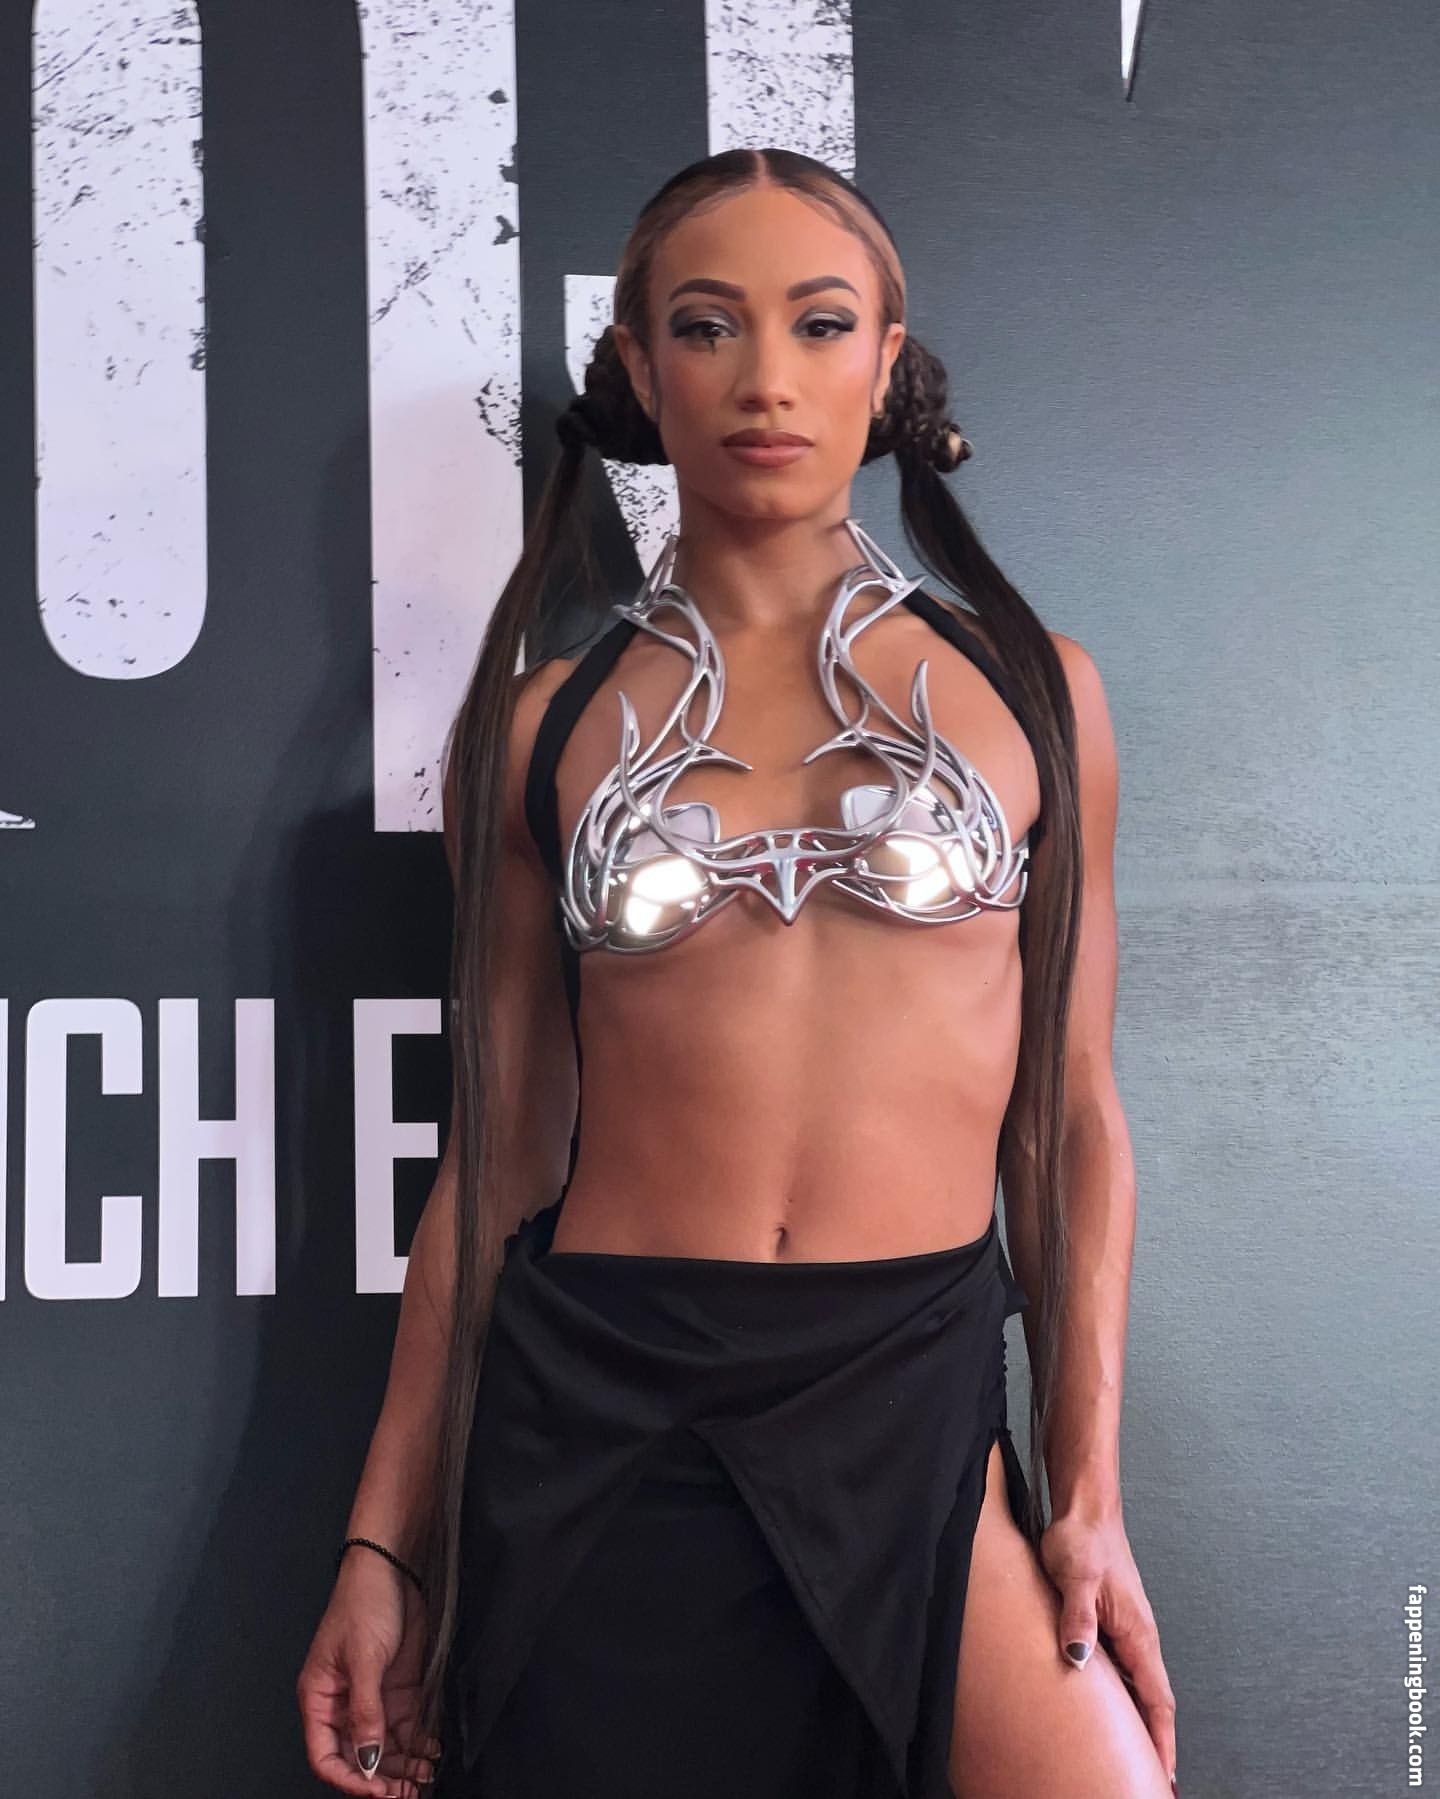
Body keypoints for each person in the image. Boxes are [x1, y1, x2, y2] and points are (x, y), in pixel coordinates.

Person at [297, 146, 1179, 1799]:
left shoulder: (1035, 692)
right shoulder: (538, 727)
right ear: (642, 368)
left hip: (909, 1390)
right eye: (707, 327)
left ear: (887, 361)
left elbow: (1068, 1122)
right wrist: (386, 1544)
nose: (766, 377)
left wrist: (1086, 1493)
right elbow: (495, 1162)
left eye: (819, 324)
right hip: (605, 1412)